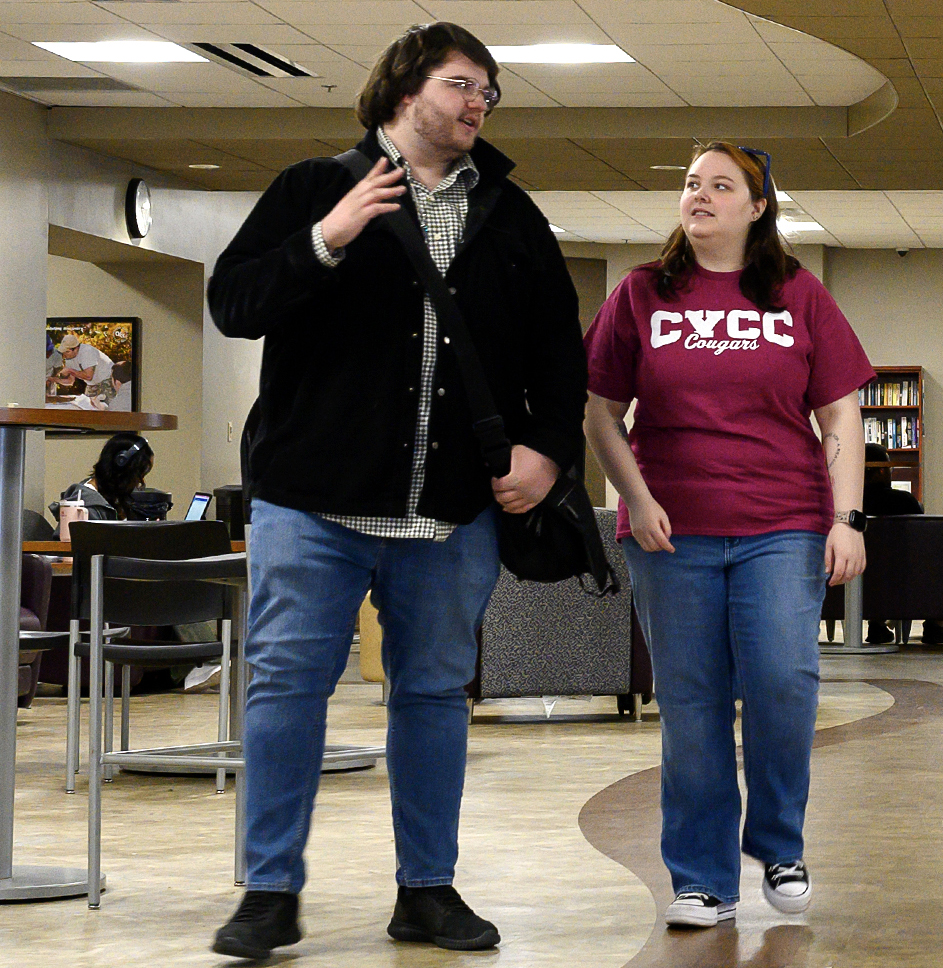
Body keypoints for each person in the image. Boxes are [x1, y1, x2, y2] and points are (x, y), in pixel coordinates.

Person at [204, 23, 586, 959]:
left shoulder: (510, 213)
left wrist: (547, 453)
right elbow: (234, 303)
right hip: (312, 500)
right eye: (462, 85)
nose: (477, 105)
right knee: (287, 687)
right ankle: (268, 891)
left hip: (452, 510)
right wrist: (326, 239)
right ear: (403, 89)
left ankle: (428, 888)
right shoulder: (312, 188)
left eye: (489, 94)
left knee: (432, 694)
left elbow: (558, 356)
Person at [584, 141, 874, 928]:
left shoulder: (796, 293)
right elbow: (601, 414)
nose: (700, 195)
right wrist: (633, 499)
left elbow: (840, 409)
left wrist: (845, 518)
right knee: (692, 704)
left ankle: (778, 840)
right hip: (671, 532)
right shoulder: (642, 294)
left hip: (781, 523)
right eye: (690, 183)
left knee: (783, 683)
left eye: (721, 185)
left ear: (757, 207)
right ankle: (703, 878)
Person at [861, 443, 943, 646]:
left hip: (864, 578)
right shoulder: (904, 501)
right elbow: (923, 540)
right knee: (937, 559)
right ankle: (934, 626)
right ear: (882, 470)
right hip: (907, 580)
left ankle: (876, 625)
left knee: (876, 569)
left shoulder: (851, 504)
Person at [50, 432, 158, 537]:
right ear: (124, 470)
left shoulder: (112, 497)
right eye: (139, 474)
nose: (139, 481)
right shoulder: (87, 508)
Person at [47, 333, 119, 408]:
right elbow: (70, 382)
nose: (64, 355)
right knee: (88, 406)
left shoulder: (87, 351)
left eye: (67, 352)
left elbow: (88, 376)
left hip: (108, 380)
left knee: (110, 408)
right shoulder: (68, 358)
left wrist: (70, 370)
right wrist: (52, 379)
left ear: (76, 348)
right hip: (92, 384)